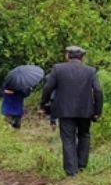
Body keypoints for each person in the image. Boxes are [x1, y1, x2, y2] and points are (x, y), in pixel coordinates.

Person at [41, 46, 103, 177]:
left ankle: (71, 171)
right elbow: (98, 91)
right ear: (83, 57)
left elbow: (48, 88)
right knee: (84, 135)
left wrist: (44, 104)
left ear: (67, 56)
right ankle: (81, 166)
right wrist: (97, 111)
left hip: (65, 110)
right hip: (86, 110)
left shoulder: (58, 69)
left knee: (68, 139)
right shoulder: (90, 71)